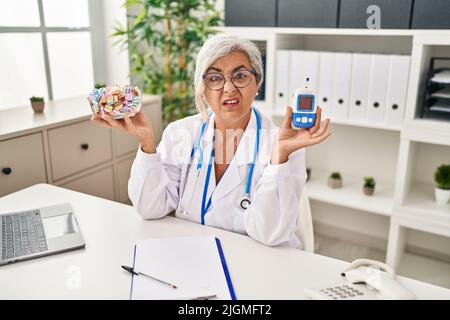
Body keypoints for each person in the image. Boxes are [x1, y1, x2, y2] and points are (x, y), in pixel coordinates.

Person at [91, 34, 331, 248]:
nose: (228, 88)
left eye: (240, 76)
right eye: (215, 78)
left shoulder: (285, 143)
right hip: (194, 255)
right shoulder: (180, 133)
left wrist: (279, 158)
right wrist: (147, 145)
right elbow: (150, 209)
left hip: (259, 261)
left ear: (257, 83)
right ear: (202, 89)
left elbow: (270, 235)